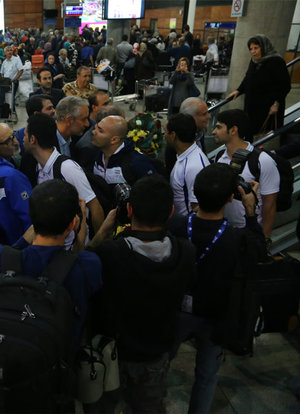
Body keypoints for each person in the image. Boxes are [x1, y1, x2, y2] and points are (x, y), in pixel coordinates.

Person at [88, 175, 196, 414]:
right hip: (156, 351)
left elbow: (85, 265)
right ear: (170, 212)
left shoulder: (111, 253)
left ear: (128, 208)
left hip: (114, 353)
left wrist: (102, 233)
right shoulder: (185, 252)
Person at [167, 163, 267, 414]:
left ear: (196, 192)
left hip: (175, 310)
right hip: (216, 315)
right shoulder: (237, 238)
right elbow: (259, 254)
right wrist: (251, 212)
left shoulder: (176, 226)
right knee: (207, 375)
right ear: (231, 197)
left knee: (160, 365)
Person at [0, 179, 103, 347]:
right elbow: (80, 263)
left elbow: (13, 252)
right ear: (72, 224)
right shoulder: (87, 265)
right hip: (60, 360)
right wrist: (82, 223)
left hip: (9, 351)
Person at [23, 113, 104, 237]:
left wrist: (96, 245)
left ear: (33, 139)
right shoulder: (38, 167)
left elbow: (94, 206)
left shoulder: (67, 168)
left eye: (25, 135)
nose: (22, 139)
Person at [213, 109, 280, 241]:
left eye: (218, 127)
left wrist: (264, 240)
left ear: (233, 130)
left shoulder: (262, 160)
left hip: (250, 234)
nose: (213, 132)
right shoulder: (219, 157)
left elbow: (270, 204)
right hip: (224, 231)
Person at [226, 34, 291, 140]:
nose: (253, 51)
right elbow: (248, 78)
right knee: (251, 132)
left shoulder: (276, 61)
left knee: (264, 135)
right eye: (251, 49)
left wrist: (276, 104)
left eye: (256, 48)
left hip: (268, 107)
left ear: (264, 47)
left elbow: (284, 86)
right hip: (252, 105)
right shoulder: (254, 61)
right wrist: (238, 90)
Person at [88, 115, 155, 187]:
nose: (93, 132)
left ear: (114, 140)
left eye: (100, 131)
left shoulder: (137, 162)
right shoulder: (93, 154)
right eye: (96, 127)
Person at [165, 113, 210, 216]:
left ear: (173, 135)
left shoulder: (194, 166)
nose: (164, 136)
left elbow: (199, 207)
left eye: (166, 132)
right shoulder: (184, 157)